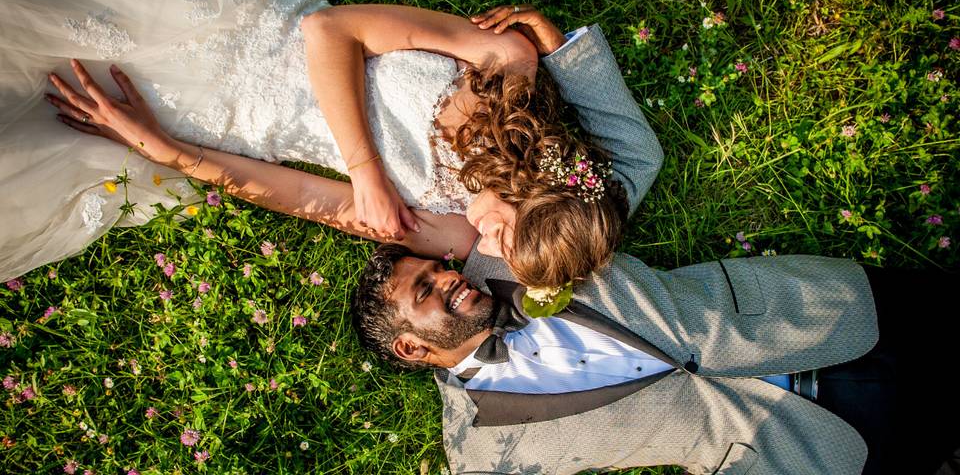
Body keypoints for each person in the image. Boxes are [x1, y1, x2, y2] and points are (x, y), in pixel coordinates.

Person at [0, 0, 659, 284]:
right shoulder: (502, 61)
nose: (486, 250)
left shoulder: (458, 236)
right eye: (505, 236)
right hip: (245, 16)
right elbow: (330, 30)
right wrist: (367, 170)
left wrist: (168, 151)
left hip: (224, 119)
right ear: (531, 186)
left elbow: (303, 195)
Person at [352, 243, 960, 475]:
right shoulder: (477, 454)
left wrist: (563, 51)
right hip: (806, 445)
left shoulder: (505, 255)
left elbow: (630, 158)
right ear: (410, 347)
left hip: (819, 308)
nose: (449, 277)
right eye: (425, 292)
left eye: (435, 268)